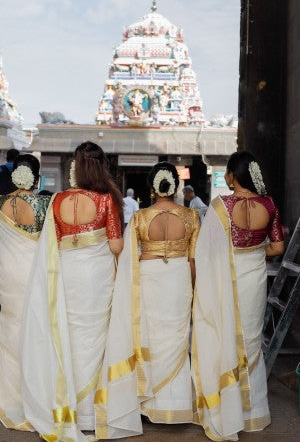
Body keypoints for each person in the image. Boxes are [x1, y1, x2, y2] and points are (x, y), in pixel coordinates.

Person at [22, 142, 123, 440]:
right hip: (97, 277)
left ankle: (65, 407)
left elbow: (51, 242)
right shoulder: (106, 201)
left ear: (76, 167)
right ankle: (90, 412)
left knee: (68, 334)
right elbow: (116, 246)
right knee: (95, 338)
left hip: (66, 273)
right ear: (100, 167)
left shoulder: (57, 200)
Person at [96, 162, 200, 439]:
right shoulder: (191, 217)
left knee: (150, 336)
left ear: (152, 188)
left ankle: (148, 403)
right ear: (174, 187)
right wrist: (191, 289)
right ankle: (174, 406)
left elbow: (128, 258)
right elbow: (193, 260)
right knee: (177, 338)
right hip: (178, 277)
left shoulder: (141, 218)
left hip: (149, 276)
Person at [193, 151, 284, 440]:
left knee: (225, 337)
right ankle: (252, 412)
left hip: (225, 280)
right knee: (251, 340)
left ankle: (225, 408)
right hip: (254, 278)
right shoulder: (268, 204)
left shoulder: (221, 206)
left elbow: (206, 252)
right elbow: (278, 248)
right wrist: (258, 252)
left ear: (232, 176)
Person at [0, 154, 51, 431]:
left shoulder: (0, 203)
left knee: (9, 330)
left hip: (7, 274)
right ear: (36, 176)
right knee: (35, 331)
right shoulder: (45, 204)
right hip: (33, 273)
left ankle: (9, 399)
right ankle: (35, 397)